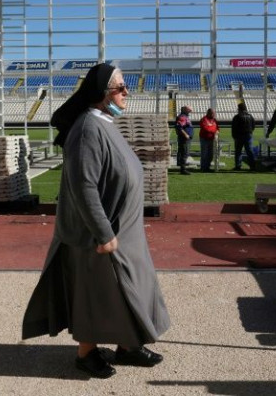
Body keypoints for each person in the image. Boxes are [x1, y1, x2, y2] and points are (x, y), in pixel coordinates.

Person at [22, 63, 170, 379]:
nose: (126, 92)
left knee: (129, 289)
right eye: (120, 87)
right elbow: (83, 185)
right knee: (97, 294)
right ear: (102, 95)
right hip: (100, 235)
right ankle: (86, 354)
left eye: (125, 85)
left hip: (125, 231)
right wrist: (104, 233)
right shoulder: (88, 129)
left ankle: (128, 346)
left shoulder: (104, 123)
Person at [175, 105, 194, 175]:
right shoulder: (182, 117)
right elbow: (179, 127)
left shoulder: (185, 116)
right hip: (184, 138)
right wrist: (185, 134)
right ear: (185, 110)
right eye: (188, 110)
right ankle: (183, 169)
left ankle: (181, 166)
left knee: (183, 152)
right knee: (184, 153)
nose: (190, 111)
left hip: (185, 138)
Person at [199, 107, 219, 172]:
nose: (214, 115)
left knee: (210, 154)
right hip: (204, 139)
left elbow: (218, 128)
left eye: (214, 113)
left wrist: (216, 131)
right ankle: (203, 168)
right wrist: (214, 130)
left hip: (212, 139)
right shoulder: (203, 119)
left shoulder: (214, 120)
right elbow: (206, 129)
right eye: (213, 113)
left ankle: (208, 167)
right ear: (209, 113)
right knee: (204, 154)